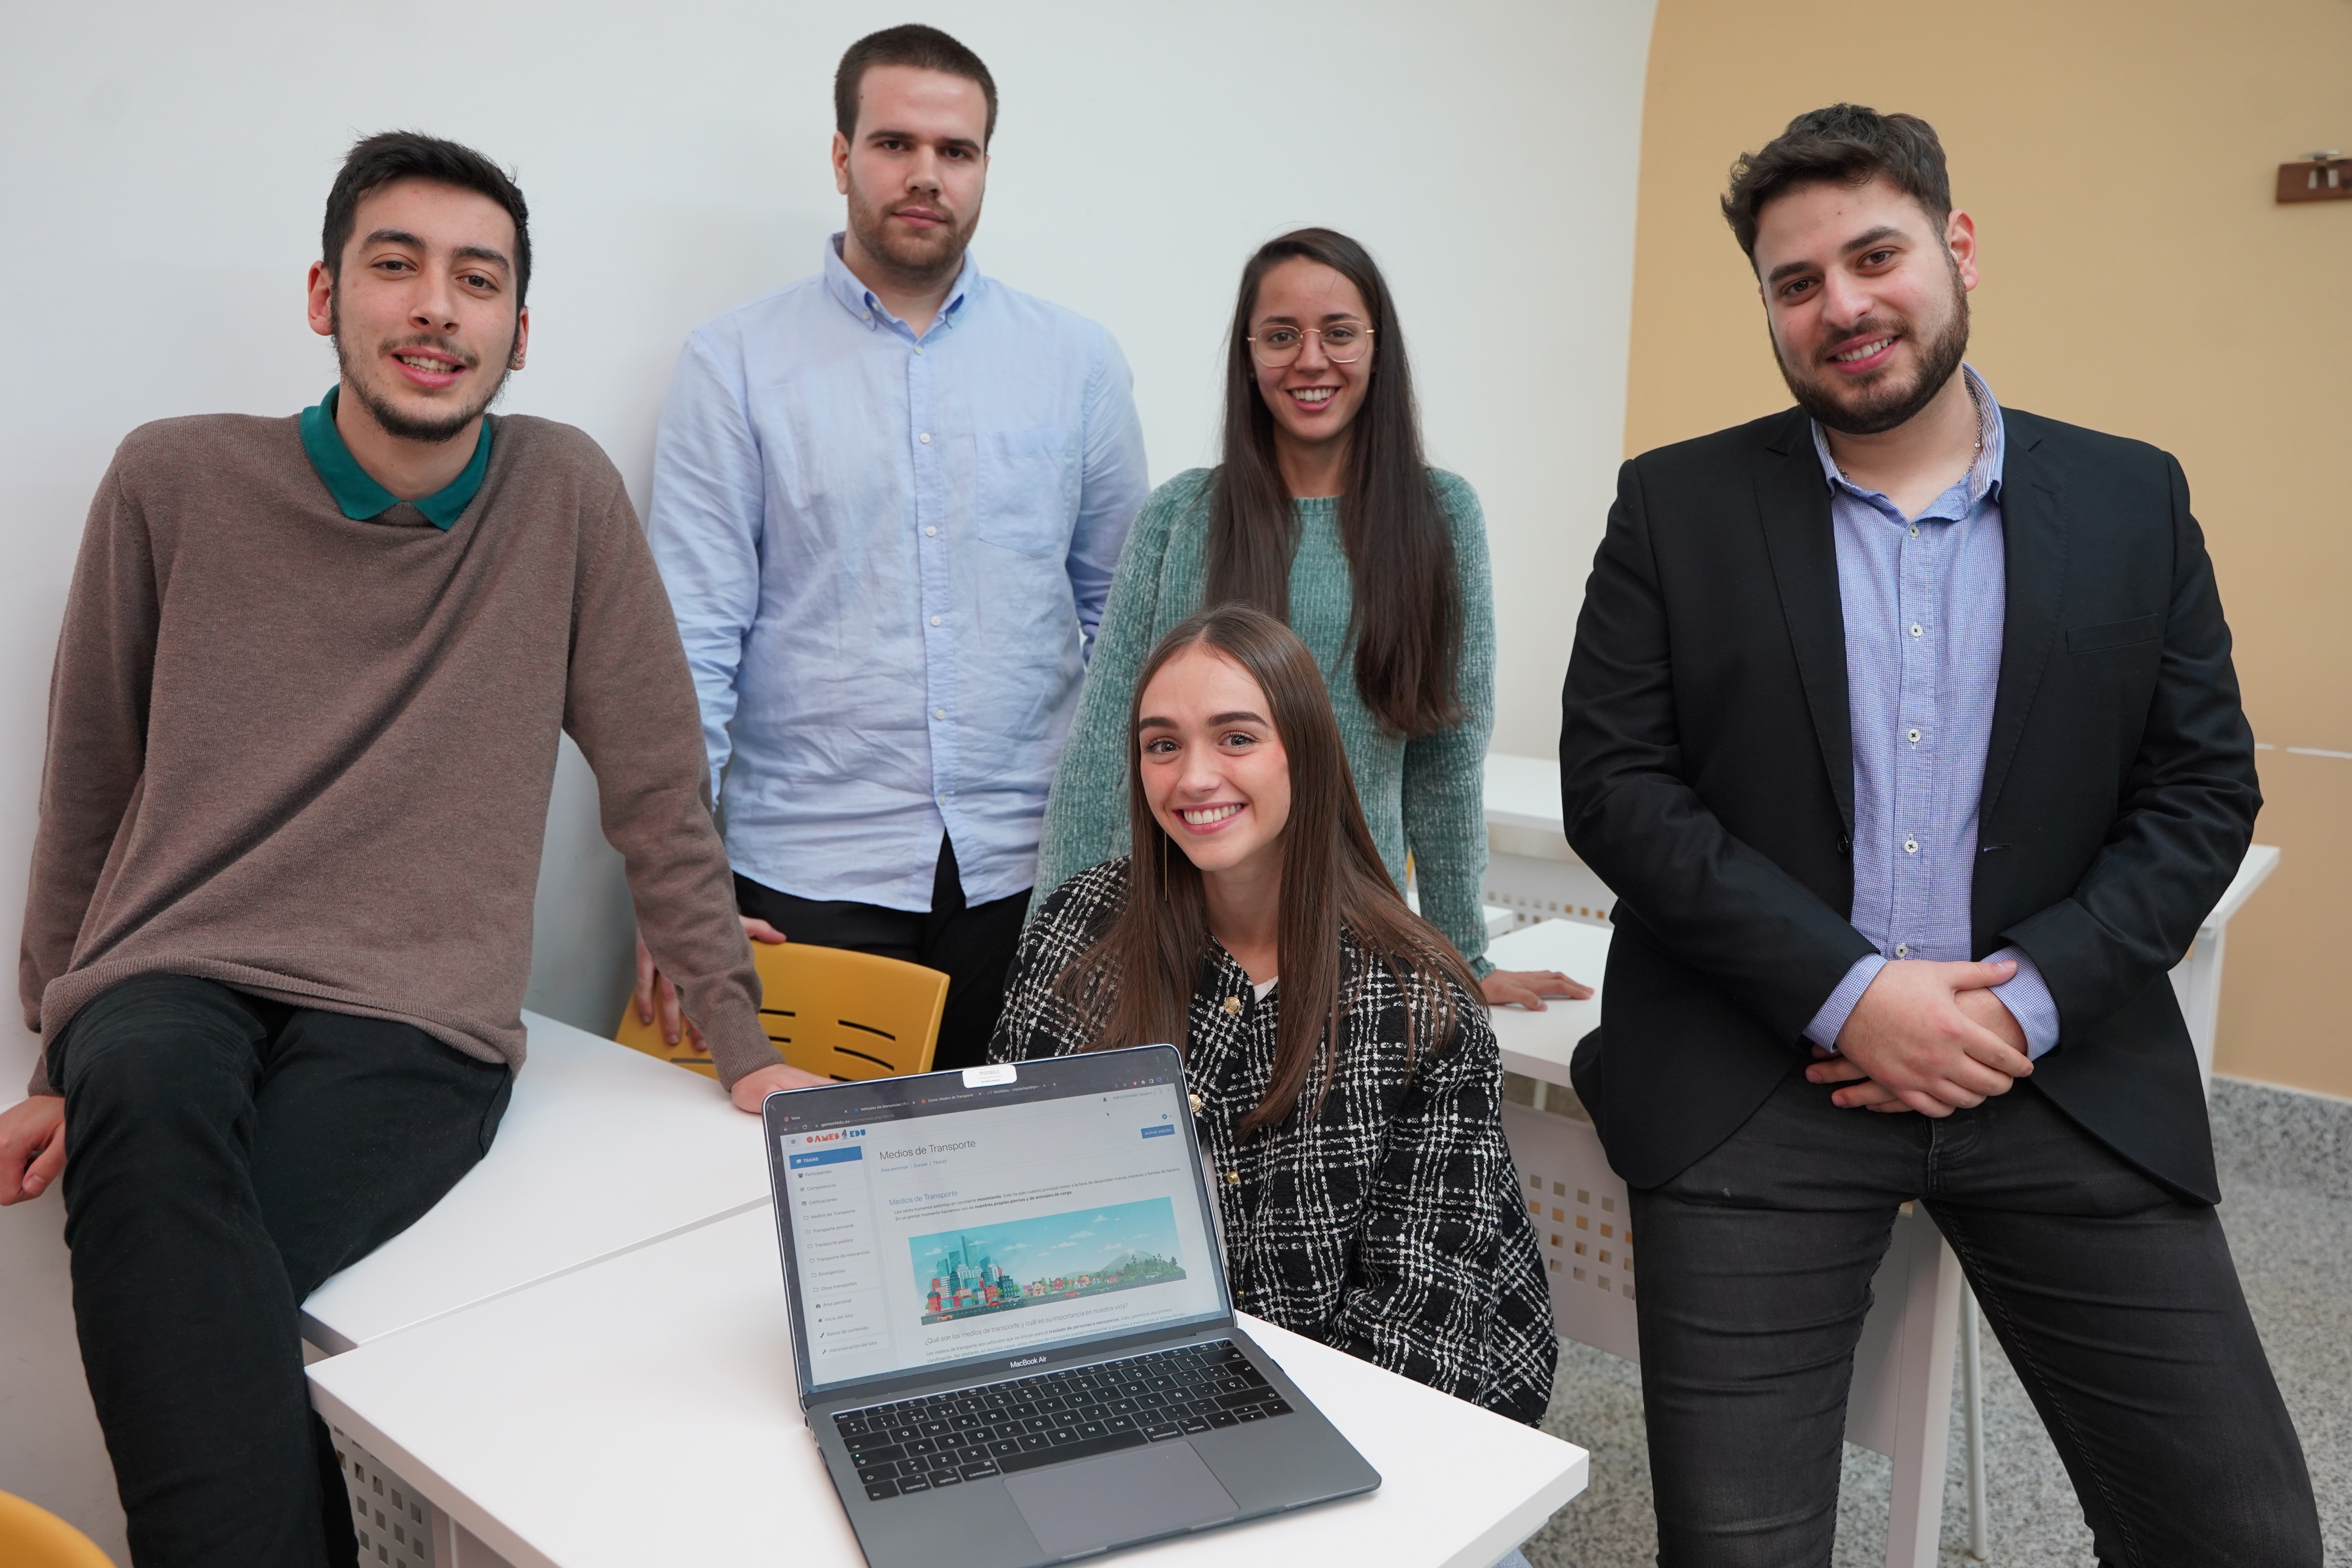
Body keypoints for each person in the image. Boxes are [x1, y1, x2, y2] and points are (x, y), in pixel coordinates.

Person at [0, 132, 818, 1568]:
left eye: (478, 279)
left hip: (411, 1011)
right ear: (325, 296)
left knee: (185, 1285)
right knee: (149, 1116)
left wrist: (744, 1050)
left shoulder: (560, 499)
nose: (438, 306)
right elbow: (88, 786)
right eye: (398, 265)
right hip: (170, 970)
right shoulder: (174, 478)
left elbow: (655, 785)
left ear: (519, 330)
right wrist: (53, 1048)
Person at [1560, 104, 2321, 1564]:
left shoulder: (2132, 499)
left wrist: (2019, 1005)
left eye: (1875, 255)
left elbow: (2202, 790)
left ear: (1957, 248)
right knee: (1740, 1550)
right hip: (1761, 1083)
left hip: (2061, 1075)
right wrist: (1856, 994)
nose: (1841, 305)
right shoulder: (1678, 508)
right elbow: (1622, 787)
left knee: (2244, 1537)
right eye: (1796, 282)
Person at [639, 23, 1150, 1071]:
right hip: (807, 878)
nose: (926, 176)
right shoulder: (732, 365)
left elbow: (1125, 628)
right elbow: (690, 649)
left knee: (1022, 1208)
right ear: (841, 157)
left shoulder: (1078, 364)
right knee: (797, 1206)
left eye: (955, 152)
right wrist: (675, 897)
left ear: (986, 170)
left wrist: (1126, 862)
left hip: (1035, 877)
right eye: (895, 145)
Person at [993, 605, 1557, 1441]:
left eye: (1236, 737)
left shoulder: (1418, 1004)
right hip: (1129, 1392)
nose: (1193, 778)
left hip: (1375, 1425)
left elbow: (1414, 1346)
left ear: (1305, 750)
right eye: (1163, 744)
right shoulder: (1080, 932)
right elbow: (1008, 1200)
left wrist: (1215, 1438)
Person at [1033, 228, 1582, 1011]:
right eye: (1282, 335)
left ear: (1378, 348)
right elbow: (1102, 747)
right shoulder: (1181, 515)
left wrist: (1463, 949)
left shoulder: (1441, 515)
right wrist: (1060, 947)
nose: (1311, 360)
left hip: (1353, 945)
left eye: (1339, 333)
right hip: (1176, 943)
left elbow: (1447, 756)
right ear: (1249, 355)